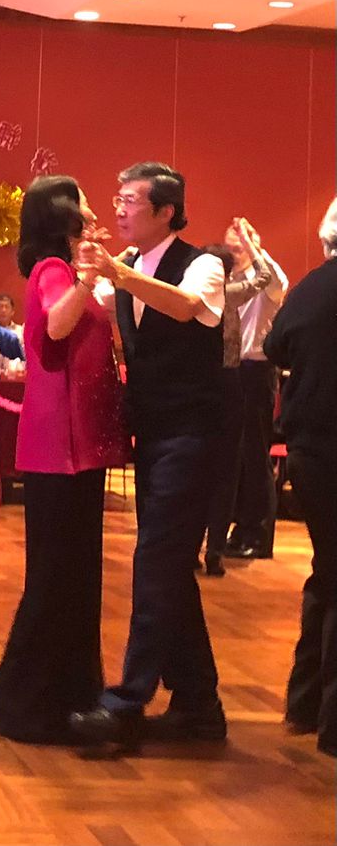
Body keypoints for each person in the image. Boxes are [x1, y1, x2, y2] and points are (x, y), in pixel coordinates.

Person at [71, 162, 228, 749]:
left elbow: (186, 307)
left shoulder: (203, 264)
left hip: (195, 433)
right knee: (169, 567)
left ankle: (126, 704)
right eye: (117, 199)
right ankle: (199, 705)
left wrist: (115, 272)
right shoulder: (130, 264)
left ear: (166, 211)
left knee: (157, 561)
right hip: (154, 435)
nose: (119, 210)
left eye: (131, 201)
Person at [0, 176, 128, 744]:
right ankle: (23, 702)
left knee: (74, 577)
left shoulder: (70, 270)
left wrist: (104, 269)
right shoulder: (52, 269)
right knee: (57, 577)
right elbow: (58, 325)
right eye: (84, 200)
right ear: (63, 213)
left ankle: (68, 697)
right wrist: (87, 275)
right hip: (60, 445)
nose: (93, 208)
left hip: (77, 444)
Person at [264, 196, 337, 758]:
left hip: (309, 450)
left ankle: (306, 703)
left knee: (326, 572)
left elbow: (274, 346)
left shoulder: (310, 287)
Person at [200, 233, 275, 575]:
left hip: (202, 385)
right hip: (230, 382)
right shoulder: (229, 293)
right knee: (227, 471)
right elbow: (264, 276)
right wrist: (253, 246)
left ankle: (192, 545)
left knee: (201, 468)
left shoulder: (192, 296)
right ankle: (215, 549)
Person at [225, 217, 288, 560]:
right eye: (230, 248)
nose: (234, 253)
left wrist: (253, 246)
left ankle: (258, 535)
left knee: (254, 455)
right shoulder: (228, 280)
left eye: (240, 247)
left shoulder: (267, 281)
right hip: (231, 371)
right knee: (234, 458)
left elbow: (277, 280)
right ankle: (238, 529)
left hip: (256, 371)